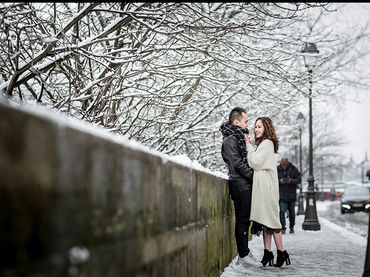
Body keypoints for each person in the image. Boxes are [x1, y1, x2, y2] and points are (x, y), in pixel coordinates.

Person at [245, 117, 291, 267]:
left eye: (259, 126)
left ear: (266, 128)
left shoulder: (267, 143)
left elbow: (255, 163)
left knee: (272, 221)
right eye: (255, 126)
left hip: (267, 189)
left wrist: (248, 146)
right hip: (264, 188)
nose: (256, 129)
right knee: (266, 222)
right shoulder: (265, 144)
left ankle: (282, 253)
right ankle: (268, 253)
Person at [219, 107, 255, 268]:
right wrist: (253, 175)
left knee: (245, 220)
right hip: (239, 184)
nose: (248, 124)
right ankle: (243, 255)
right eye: (246, 121)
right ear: (236, 122)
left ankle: (245, 253)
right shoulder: (230, 140)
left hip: (244, 183)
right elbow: (236, 164)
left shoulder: (238, 137)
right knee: (242, 220)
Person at [277, 158, 301, 234]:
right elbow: (273, 180)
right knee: (282, 212)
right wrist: (279, 181)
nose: (284, 167)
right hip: (281, 195)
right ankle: (283, 227)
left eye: (285, 165)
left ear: (287, 164)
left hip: (291, 195)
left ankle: (291, 227)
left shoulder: (294, 169)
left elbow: (299, 179)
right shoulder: (277, 170)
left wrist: (291, 181)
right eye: (282, 165)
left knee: (292, 213)